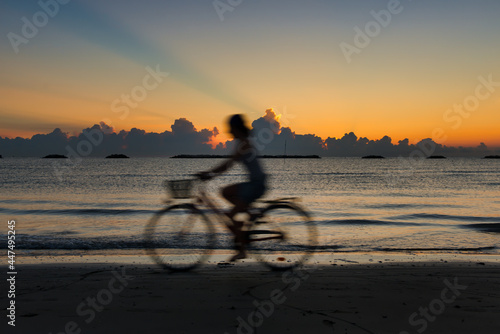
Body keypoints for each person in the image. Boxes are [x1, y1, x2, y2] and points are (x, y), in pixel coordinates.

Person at [198, 114, 267, 261]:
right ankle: (249, 214)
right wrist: (211, 173)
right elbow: (228, 164)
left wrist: (209, 174)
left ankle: (242, 249)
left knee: (231, 215)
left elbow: (227, 165)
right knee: (225, 192)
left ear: (236, 128)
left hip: (257, 185)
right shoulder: (242, 143)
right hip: (254, 183)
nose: (229, 131)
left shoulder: (244, 145)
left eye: (231, 128)